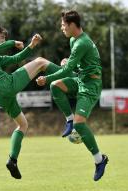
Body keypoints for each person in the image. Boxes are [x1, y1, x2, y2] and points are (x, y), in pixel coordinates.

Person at [35, 10, 108, 181]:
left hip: (91, 85)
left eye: (63, 25)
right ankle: (69, 120)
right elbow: (78, 65)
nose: (61, 28)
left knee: (81, 125)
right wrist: (69, 63)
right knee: (56, 86)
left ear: (72, 25)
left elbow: (67, 70)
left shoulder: (82, 42)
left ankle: (100, 160)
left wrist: (46, 78)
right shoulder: (73, 40)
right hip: (81, 79)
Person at [0, 23, 45, 179]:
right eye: (2, 37)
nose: (3, 40)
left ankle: (12, 160)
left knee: (23, 124)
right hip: (3, 86)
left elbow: (16, 58)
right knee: (40, 62)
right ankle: (69, 74)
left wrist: (31, 46)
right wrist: (13, 42)